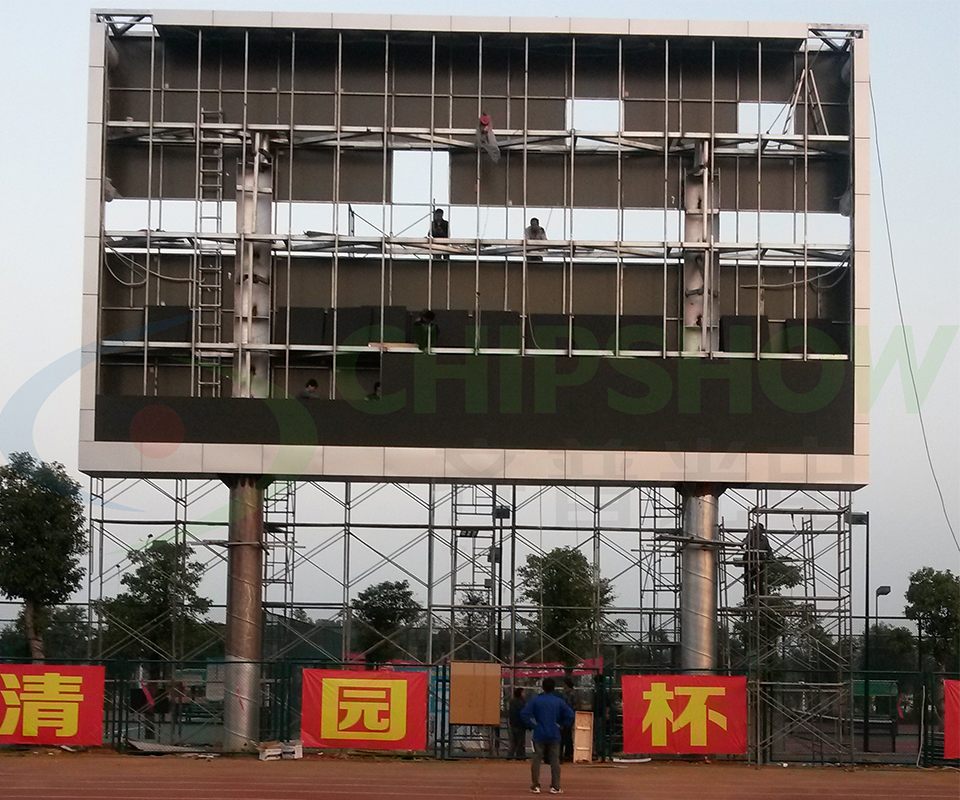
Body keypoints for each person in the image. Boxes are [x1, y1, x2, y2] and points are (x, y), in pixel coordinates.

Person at [521, 677, 575, 794]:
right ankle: (555, 786)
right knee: (555, 760)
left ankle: (535, 785)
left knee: (537, 759)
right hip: (554, 733)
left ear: (543, 687)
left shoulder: (536, 700)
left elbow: (524, 714)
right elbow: (570, 714)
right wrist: (562, 725)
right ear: (554, 688)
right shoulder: (558, 701)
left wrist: (532, 725)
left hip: (539, 733)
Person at [560, 677, 578, 762]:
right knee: (567, 734)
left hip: (569, 715)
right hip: (567, 715)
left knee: (566, 734)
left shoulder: (571, 694)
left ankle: (568, 752)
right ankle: (568, 752)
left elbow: (573, 705)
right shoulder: (567, 693)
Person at [508, 687, 528, 760]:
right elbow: (523, 714)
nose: (524, 694)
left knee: (513, 742)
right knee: (520, 742)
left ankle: (510, 756)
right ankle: (520, 757)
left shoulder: (512, 702)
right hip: (520, 725)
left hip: (513, 724)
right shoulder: (521, 703)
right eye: (523, 692)